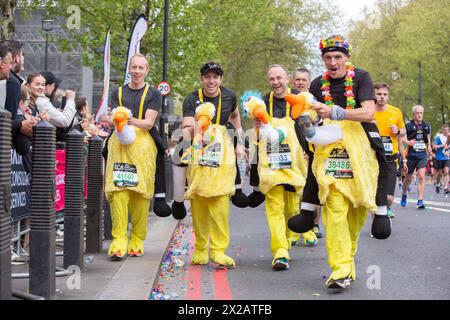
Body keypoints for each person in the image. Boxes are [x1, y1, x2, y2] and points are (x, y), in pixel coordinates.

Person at [292, 35, 383, 289]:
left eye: (338, 57)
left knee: (356, 212)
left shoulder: (362, 77)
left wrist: (335, 112)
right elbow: (308, 117)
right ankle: (341, 268)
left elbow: (368, 112)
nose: (333, 62)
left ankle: (347, 260)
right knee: (334, 207)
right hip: (329, 153)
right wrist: (304, 122)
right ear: (323, 59)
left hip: (360, 154)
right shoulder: (316, 84)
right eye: (328, 58)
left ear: (347, 58)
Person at [177, 61, 245, 267]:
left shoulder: (229, 96)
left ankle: (218, 250)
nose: (211, 81)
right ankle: (199, 249)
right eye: (207, 77)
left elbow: (234, 116)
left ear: (220, 79)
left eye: (215, 77)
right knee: (198, 201)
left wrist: (239, 142)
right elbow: (186, 127)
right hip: (199, 151)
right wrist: (199, 129)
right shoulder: (191, 98)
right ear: (202, 79)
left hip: (223, 154)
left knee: (221, 201)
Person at [251, 64, 317, 271]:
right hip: (271, 164)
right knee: (274, 207)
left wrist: (310, 149)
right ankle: (280, 252)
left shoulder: (300, 98)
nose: (276, 82)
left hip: (296, 163)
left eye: (279, 77)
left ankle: (289, 236)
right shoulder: (262, 101)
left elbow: (309, 126)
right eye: (272, 78)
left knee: (292, 206)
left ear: (287, 78)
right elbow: (257, 133)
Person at [105, 54, 161, 259]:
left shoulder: (153, 94)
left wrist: (128, 118)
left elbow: (148, 123)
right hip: (119, 146)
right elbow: (111, 120)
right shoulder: (117, 92)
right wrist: (115, 120)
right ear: (129, 68)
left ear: (147, 71)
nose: (137, 71)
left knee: (140, 194)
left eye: (141, 68)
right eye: (134, 67)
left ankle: (137, 237)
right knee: (118, 191)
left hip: (143, 149)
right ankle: (119, 238)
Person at [292, 67, 323, 238]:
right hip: (293, 151)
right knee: (297, 189)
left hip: (312, 150)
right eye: (297, 80)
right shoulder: (289, 100)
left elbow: (319, 125)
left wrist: (309, 149)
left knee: (313, 188)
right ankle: (299, 226)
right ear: (293, 81)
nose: (300, 83)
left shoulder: (314, 102)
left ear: (309, 83)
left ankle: (316, 225)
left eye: (304, 80)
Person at [373, 82, 407, 219]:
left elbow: (403, 131)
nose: (382, 97)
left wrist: (398, 130)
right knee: (376, 194)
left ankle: (385, 211)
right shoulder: (368, 111)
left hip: (390, 158)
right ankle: (377, 224)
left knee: (388, 198)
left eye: (384, 94)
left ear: (388, 96)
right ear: (374, 94)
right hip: (373, 157)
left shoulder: (395, 111)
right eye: (379, 94)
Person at [400, 105, 432, 209]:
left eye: (421, 113)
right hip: (411, 155)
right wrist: (409, 142)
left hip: (422, 154)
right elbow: (401, 138)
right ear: (414, 114)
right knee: (408, 178)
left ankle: (420, 200)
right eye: (417, 113)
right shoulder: (408, 125)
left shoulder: (426, 126)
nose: (419, 115)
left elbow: (428, 139)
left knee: (421, 176)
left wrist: (429, 148)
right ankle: (404, 193)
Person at [434, 123, 449, 194]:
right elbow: (434, 146)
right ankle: (437, 184)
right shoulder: (438, 137)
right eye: (444, 130)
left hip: (447, 157)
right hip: (439, 157)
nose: (446, 131)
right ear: (442, 130)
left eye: (447, 130)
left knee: (446, 171)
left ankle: (446, 187)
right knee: (439, 173)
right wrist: (443, 145)